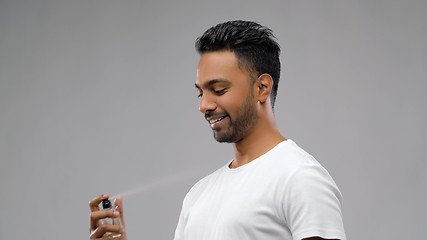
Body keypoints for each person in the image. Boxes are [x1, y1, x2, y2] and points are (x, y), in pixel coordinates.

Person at [89, 20, 346, 240]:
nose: (204, 105)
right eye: (200, 92)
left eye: (219, 90)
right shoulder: (198, 195)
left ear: (262, 88)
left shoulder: (300, 178)